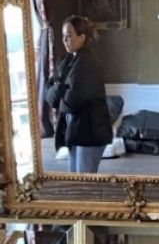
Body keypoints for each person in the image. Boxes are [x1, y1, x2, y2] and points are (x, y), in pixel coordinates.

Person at [44, 15, 111, 174]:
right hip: (75, 129)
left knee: (84, 180)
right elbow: (48, 92)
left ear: (82, 37)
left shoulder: (87, 63)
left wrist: (58, 92)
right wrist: (59, 91)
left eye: (69, 35)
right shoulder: (66, 60)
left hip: (89, 131)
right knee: (76, 177)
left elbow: (72, 102)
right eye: (63, 36)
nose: (64, 40)